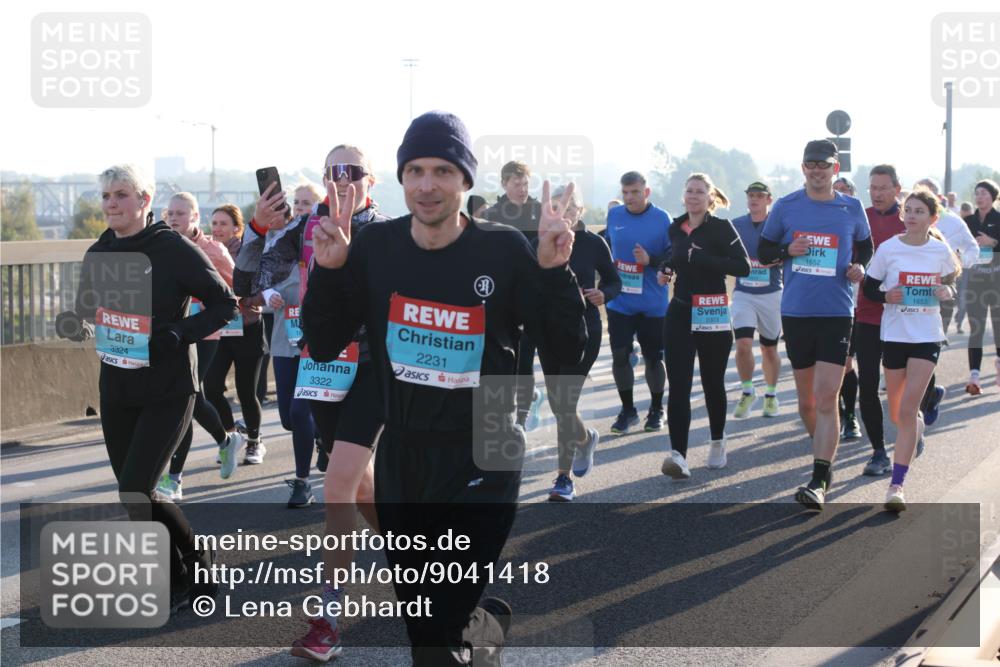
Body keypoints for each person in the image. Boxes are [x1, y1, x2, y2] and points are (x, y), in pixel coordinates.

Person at [301, 111, 586, 666]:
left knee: (433, 644)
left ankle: (467, 626)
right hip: (407, 453)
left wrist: (554, 273)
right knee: (428, 627)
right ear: (402, 179)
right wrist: (331, 272)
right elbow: (327, 341)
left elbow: (564, 354)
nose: (427, 185)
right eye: (415, 171)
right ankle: (481, 626)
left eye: (442, 171)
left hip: (486, 446)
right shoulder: (375, 246)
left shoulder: (503, 251)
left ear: (464, 181)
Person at [55, 164, 237, 610]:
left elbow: (224, 305)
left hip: (169, 387)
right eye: (106, 197)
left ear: (143, 201)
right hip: (117, 387)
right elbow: (85, 307)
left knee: (137, 487)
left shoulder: (171, 249)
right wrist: (71, 321)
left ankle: (199, 565)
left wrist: (179, 332)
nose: (112, 204)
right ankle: (176, 578)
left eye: (121, 195)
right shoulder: (99, 252)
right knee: (135, 496)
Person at [289, 145, 390, 661]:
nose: (343, 179)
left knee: (336, 484)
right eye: (333, 172)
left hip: (373, 368)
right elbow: (251, 279)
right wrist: (260, 235)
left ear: (370, 181)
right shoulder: (307, 227)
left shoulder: (388, 233)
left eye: (352, 172)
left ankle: (327, 618)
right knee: (360, 487)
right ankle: (423, 567)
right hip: (322, 364)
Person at [758, 139, 873, 510]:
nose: (817, 170)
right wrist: (785, 252)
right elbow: (764, 252)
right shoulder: (787, 206)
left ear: (835, 168)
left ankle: (819, 476)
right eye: (811, 164)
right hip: (796, 312)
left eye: (824, 164)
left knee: (827, 398)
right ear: (803, 167)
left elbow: (867, 248)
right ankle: (824, 455)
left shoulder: (851, 206)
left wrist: (861, 268)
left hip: (837, 312)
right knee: (807, 402)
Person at [862, 189, 960, 510]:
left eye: (920, 211)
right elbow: (870, 286)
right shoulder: (889, 249)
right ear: (903, 215)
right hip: (894, 336)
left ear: (932, 218)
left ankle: (896, 486)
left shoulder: (939, 250)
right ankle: (917, 426)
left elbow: (952, 278)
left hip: (926, 336)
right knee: (900, 413)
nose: (913, 216)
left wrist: (947, 289)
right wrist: (885, 296)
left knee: (906, 410)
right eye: (909, 210)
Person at [658, 174, 750, 477]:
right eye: (689, 191)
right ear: (683, 196)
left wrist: (706, 258)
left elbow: (743, 267)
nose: (694, 196)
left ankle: (717, 440)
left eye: (700, 191)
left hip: (712, 313)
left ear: (711, 198)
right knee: (679, 385)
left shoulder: (721, 229)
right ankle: (678, 455)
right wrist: (666, 269)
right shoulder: (676, 226)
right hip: (681, 312)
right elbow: (673, 257)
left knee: (712, 383)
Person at [236, 182, 319, 507]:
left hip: (319, 347)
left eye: (308, 203)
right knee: (288, 416)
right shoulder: (278, 243)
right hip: (285, 341)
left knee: (301, 412)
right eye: (297, 203)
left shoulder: (324, 245)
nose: (301, 208)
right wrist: (266, 297)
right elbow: (252, 293)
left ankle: (302, 481)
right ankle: (321, 436)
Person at [536, 184, 621, 501]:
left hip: (584, 329)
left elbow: (614, 281)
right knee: (559, 405)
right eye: (558, 205)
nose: (565, 212)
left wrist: (604, 294)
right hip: (547, 330)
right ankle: (584, 439)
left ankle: (563, 479)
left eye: (571, 207)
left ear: (580, 213)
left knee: (564, 403)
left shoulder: (593, 243)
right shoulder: (538, 242)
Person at [158, 193, 245, 500]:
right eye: (170, 213)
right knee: (191, 397)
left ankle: (175, 479)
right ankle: (225, 441)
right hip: (177, 333)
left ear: (195, 217)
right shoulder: (163, 246)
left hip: (206, 333)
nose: (173, 218)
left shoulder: (213, 249)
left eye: (181, 213)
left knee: (187, 397)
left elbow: (237, 286)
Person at [846, 165, 904, 477]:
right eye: (873, 187)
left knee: (906, 386)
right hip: (867, 313)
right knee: (867, 384)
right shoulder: (861, 217)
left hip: (904, 317)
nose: (877, 193)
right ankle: (878, 452)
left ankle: (921, 411)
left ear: (897, 188)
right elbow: (848, 253)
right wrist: (854, 267)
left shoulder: (910, 218)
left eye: (884, 187)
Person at [604, 171, 672, 433]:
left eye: (634, 192)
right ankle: (628, 410)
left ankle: (656, 409)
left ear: (646, 192)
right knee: (620, 355)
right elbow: (606, 247)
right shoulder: (615, 215)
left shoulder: (661, 218)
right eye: (625, 193)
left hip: (652, 303)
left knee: (653, 358)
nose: (629, 197)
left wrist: (650, 261)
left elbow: (671, 259)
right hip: (620, 301)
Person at [202, 204, 268, 470]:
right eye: (214, 223)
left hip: (247, 327)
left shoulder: (249, 252)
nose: (217, 229)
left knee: (246, 391)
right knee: (212, 388)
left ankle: (254, 440)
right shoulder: (203, 251)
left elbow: (261, 284)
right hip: (218, 329)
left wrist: (242, 297)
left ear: (237, 229)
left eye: (223, 224)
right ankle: (232, 436)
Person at [910, 178, 979, 426]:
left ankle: (925, 396)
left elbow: (973, 250)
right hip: (911, 292)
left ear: (938, 198)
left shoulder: (952, 221)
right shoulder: (907, 218)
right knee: (912, 345)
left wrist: (958, 261)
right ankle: (928, 392)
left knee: (928, 344)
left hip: (942, 293)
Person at [484, 161, 546, 430]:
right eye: (516, 184)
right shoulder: (493, 214)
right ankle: (518, 403)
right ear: (504, 184)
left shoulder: (539, 211)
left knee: (525, 358)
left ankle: (520, 418)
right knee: (504, 359)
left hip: (533, 294)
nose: (522, 189)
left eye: (525, 184)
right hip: (502, 295)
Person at [730, 181, 783, 419]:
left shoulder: (777, 224)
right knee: (742, 344)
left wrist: (777, 258)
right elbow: (725, 252)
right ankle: (747, 390)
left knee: (769, 349)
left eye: (759, 196)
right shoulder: (736, 225)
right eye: (751, 195)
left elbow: (788, 252)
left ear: (768, 200)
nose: (754, 200)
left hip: (771, 293)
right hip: (743, 293)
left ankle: (770, 395)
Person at [962, 179, 1000, 393]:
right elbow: (958, 246)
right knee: (976, 328)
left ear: (992, 196)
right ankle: (974, 377)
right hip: (976, 282)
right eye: (977, 193)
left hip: (997, 282)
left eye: (984, 193)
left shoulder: (999, 218)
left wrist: (993, 243)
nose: (979, 196)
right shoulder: (968, 221)